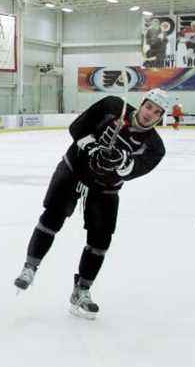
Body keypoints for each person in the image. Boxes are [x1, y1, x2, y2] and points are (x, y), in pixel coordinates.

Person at [13, 89, 172, 319]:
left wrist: (121, 160)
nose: (150, 114)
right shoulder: (112, 106)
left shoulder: (155, 147)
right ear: (142, 103)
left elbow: (133, 171)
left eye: (157, 112)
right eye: (149, 107)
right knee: (53, 217)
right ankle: (30, 267)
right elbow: (77, 128)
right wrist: (92, 147)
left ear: (160, 117)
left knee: (100, 241)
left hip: (104, 189)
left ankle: (82, 291)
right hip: (73, 171)